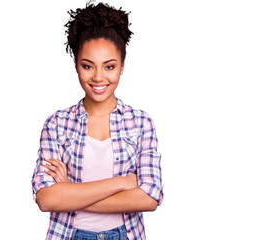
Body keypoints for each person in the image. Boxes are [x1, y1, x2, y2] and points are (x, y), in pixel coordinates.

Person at [31, 2, 163, 240]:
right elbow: (47, 199)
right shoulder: (57, 124)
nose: (99, 77)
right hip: (69, 234)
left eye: (109, 66)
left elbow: (150, 197)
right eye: (88, 66)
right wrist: (123, 182)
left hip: (126, 234)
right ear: (76, 67)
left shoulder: (141, 123)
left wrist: (70, 193)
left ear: (122, 67)